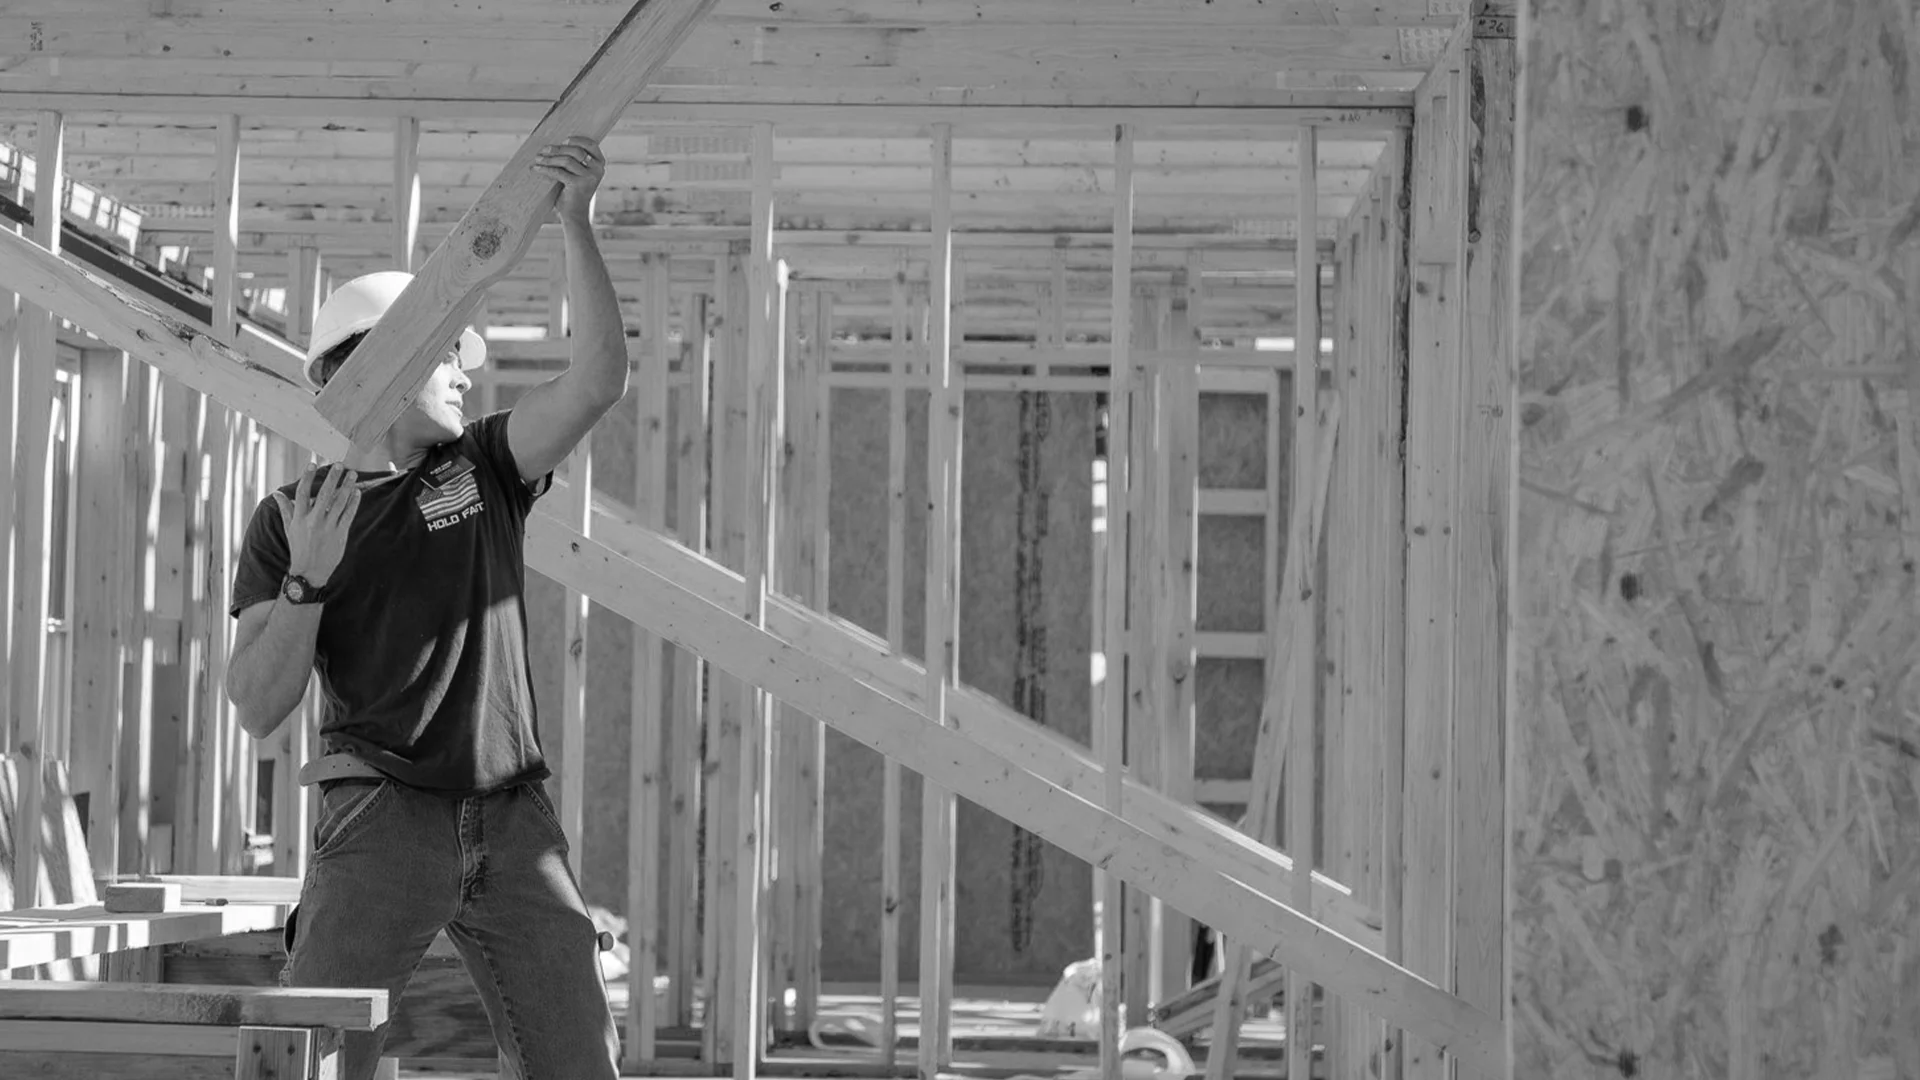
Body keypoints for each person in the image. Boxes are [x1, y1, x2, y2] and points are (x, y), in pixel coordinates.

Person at [224, 135, 629, 1080]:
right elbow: (254, 702)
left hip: (513, 814)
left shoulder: (482, 468)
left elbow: (598, 382)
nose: (463, 371)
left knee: (578, 1061)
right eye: (447, 352)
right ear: (382, 366)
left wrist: (578, 222)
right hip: (381, 816)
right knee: (312, 1060)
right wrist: (307, 582)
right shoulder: (292, 518)